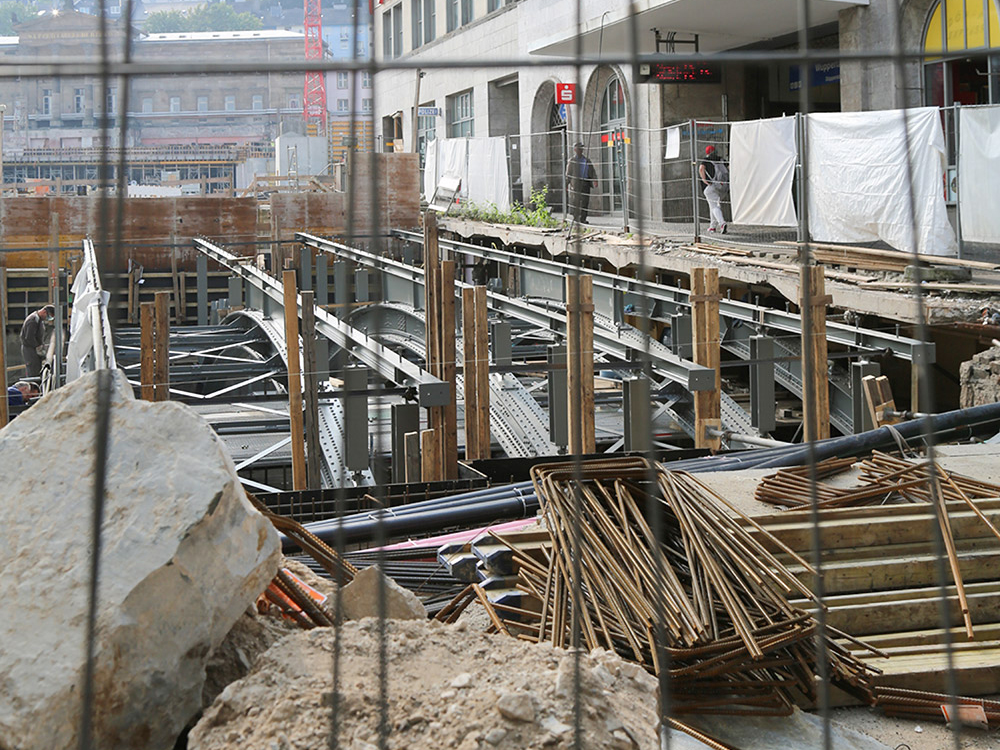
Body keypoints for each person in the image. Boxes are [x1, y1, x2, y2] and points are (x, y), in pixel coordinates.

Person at [699, 145, 729, 234]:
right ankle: (712, 227)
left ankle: (722, 223)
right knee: (713, 206)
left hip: (710, 186)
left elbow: (701, 169)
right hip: (721, 187)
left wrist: (704, 180)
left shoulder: (706, 160)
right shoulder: (721, 160)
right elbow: (729, 168)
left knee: (714, 206)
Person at [565, 142, 597, 224]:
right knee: (576, 201)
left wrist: (595, 180)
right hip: (576, 183)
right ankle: (576, 218)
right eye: (579, 149)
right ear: (575, 150)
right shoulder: (572, 161)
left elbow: (592, 171)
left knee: (585, 202)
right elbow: (568, 173)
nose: (580, 151)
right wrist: (566, 184)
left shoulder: (587, 160)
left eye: (581, 149)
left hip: (585, 182)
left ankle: (583, 218)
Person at [20, 304, 54, 379]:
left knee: (38, 370)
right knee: (33, 372)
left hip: (34, 348)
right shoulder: (33, 320)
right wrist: (38, 347)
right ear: (44, 312)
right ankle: (34, 388)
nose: (47, 319)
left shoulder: (39, 320)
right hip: (30, 349)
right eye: (48, 316)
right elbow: (29, 338)